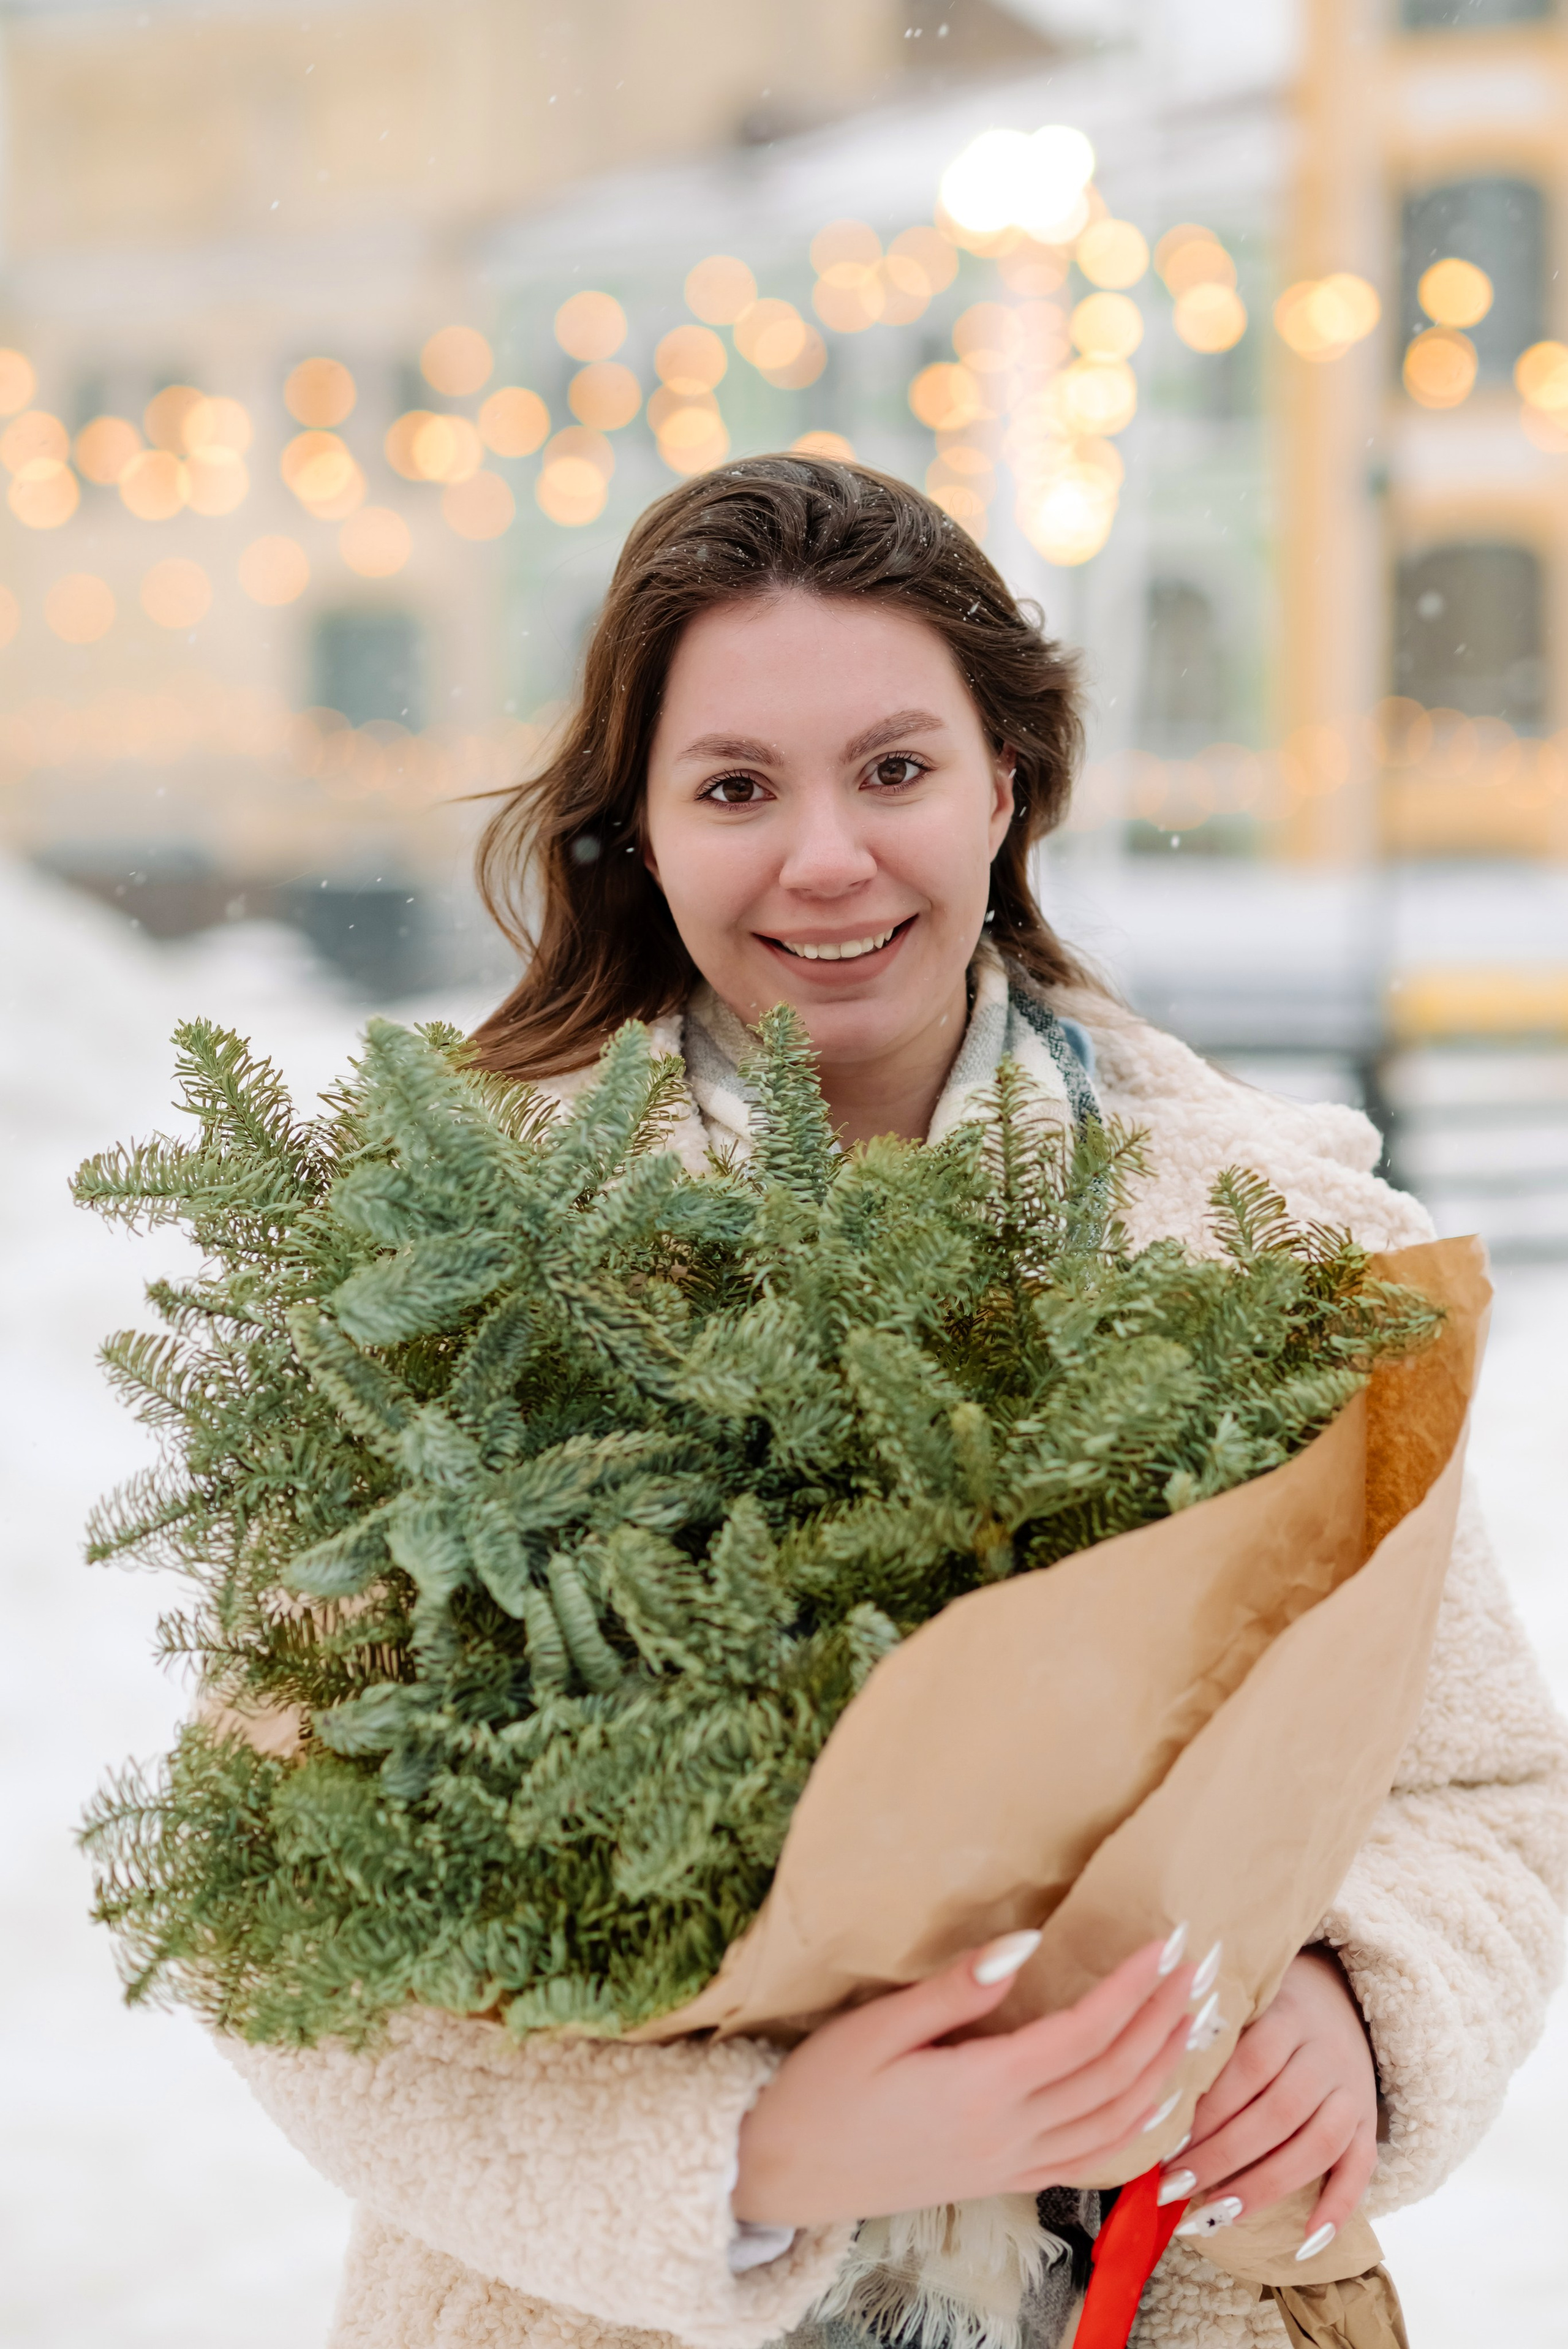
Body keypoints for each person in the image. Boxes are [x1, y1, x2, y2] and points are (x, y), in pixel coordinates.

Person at [225, 457, 1568, 2349]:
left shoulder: (1268, 1242)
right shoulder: (457, 1270)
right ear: (640, 829)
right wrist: (751, 2150)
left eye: (897, 768)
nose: (828, 859)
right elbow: (278, 1909)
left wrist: (1366, 2003)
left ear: (1006, 786)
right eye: (737, 788)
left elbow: (1483, 1785)